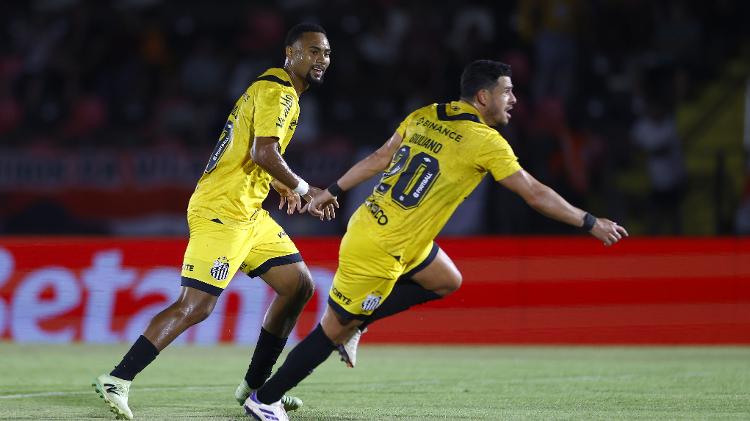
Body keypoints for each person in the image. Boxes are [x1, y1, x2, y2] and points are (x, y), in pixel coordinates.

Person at [242, 59, 628, 421]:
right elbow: (534, 193)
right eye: (507, 92)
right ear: (483, 97)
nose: (513, 100)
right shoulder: (485, 141)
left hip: (395, 234)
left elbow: (380, 157)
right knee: (334, 329)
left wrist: (336, 189)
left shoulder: (427, 115)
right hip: (381, 247)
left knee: (446, 280)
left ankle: (358, 324)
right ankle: (267, 399)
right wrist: (588, 220)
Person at [92, 23, 336, 420]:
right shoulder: (280, 92)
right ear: (289, 53)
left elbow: (252, 151)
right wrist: (305, 189)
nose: (321, 60)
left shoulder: (272, 88)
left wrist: (281, 186)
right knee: (197, 306)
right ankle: (117, 378)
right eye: (312, 51)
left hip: (249, 212)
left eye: (325, 53)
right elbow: (262, 151)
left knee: (298, 286)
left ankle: (257, 388)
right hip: (222, 210)